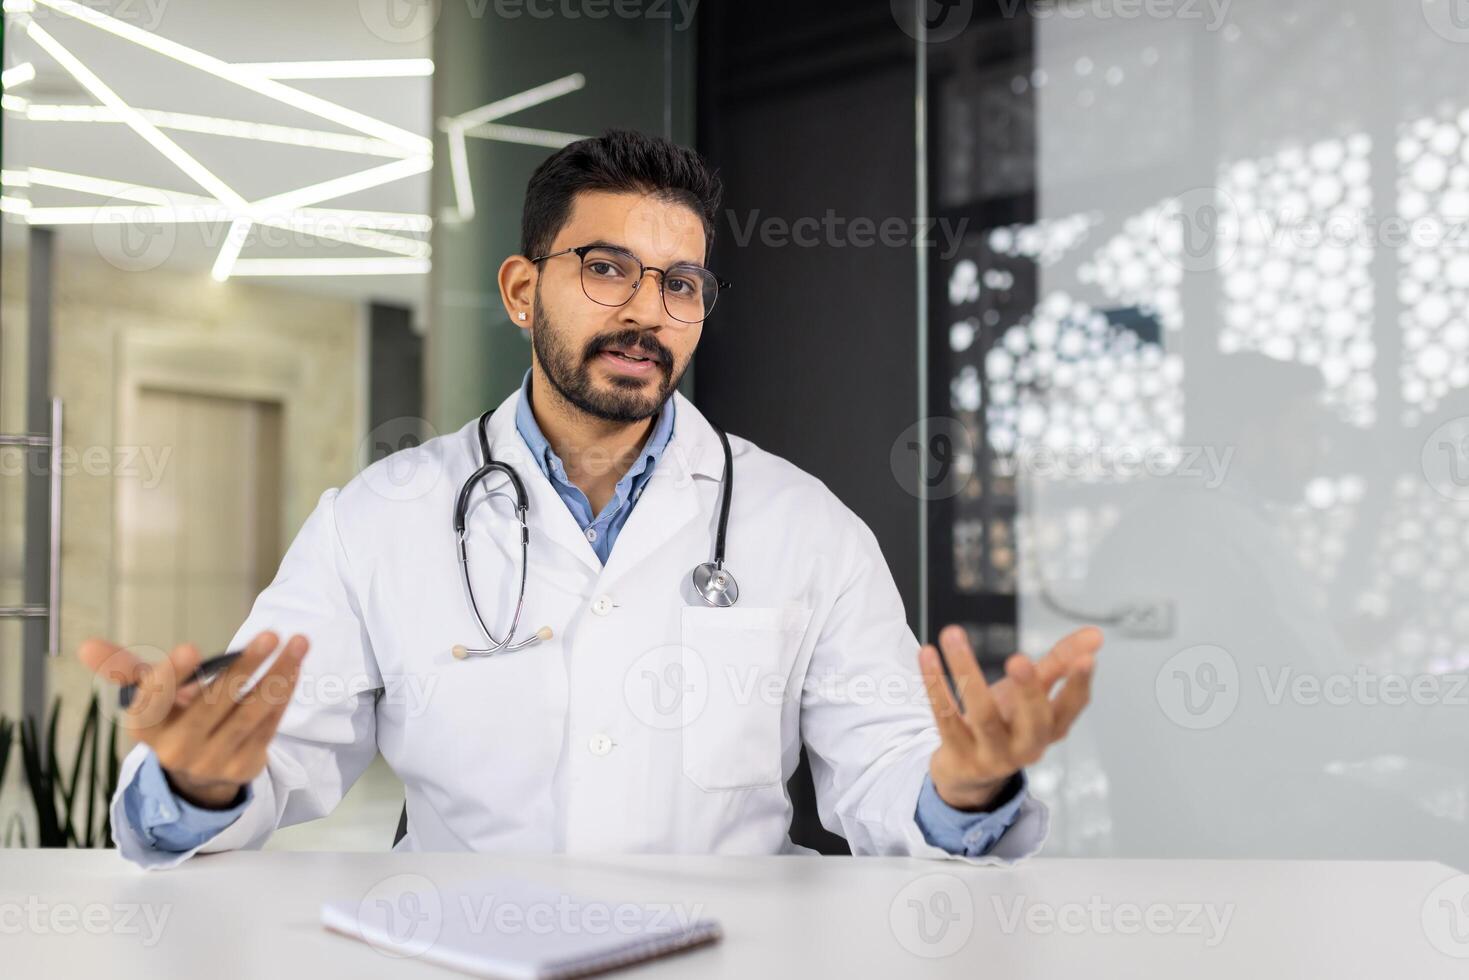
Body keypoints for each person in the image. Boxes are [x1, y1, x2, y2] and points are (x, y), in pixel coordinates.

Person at [80, 129, 1100, 870]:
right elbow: (273, 740)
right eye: (607, 269)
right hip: (468, 951)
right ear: (523, 290)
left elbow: (885, 769)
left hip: (724, 955)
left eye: (680, 284)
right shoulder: (376, 519)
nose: (646, 313)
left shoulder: (805, 527)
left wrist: (964, 786)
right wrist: (196, 777)